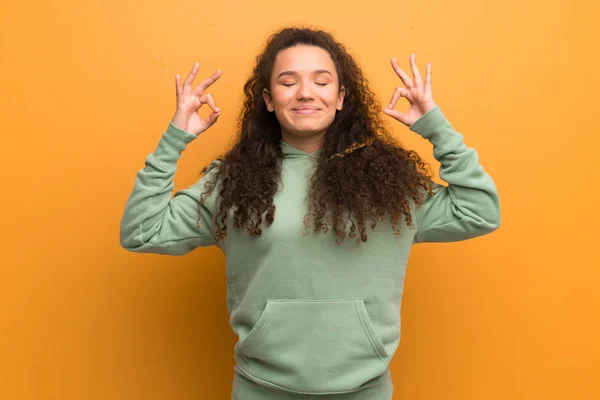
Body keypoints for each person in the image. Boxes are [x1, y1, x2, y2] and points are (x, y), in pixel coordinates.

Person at [120, 27, 500, 400]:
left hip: (365, 390)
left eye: (321, 81)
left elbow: (480, 211)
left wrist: (436, 127)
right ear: (268, 100)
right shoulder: (232, 183)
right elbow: (142, 230)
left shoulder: (391, 183)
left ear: (340, 97)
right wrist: (175, 138)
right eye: (288, 82)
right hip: (261, 390)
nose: (305, 93)